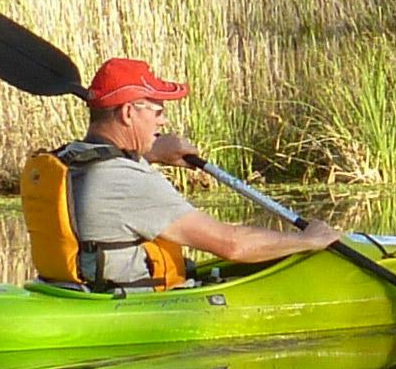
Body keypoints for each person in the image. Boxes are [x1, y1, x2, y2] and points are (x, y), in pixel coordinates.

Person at [23, 53, 339, 290]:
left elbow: (106, 168)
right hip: (131, 302)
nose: (163, 121)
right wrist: (309, 240)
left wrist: (153, 152)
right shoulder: (131, 183)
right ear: (128, 112)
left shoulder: (69, 158)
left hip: (74, 288)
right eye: (158, 112)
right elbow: (232, 245)